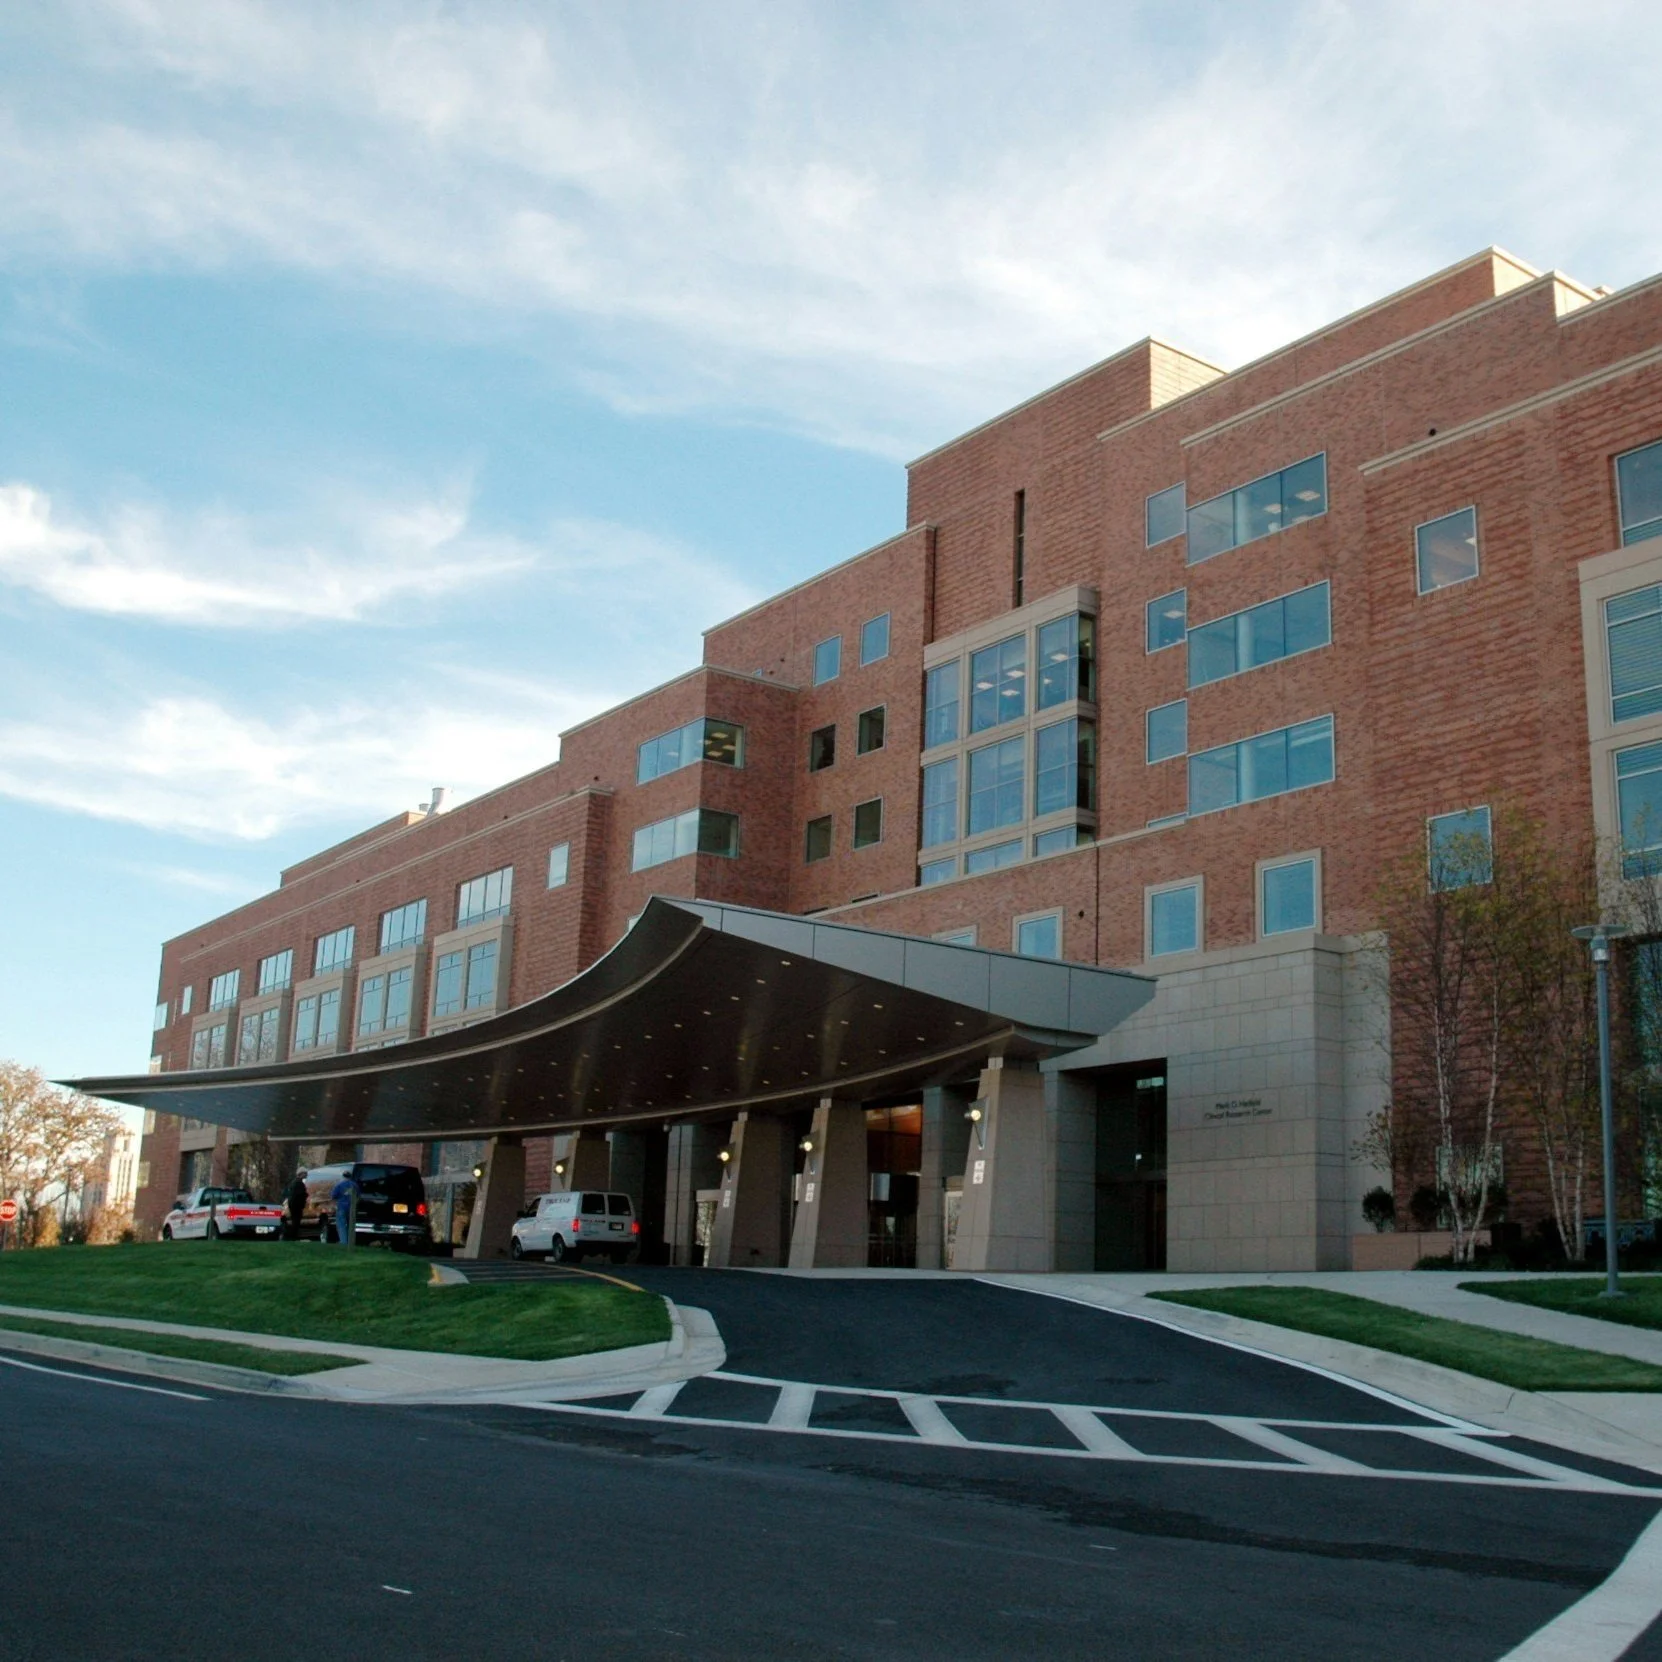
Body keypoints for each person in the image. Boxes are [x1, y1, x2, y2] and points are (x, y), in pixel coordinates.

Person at [329, 1170, 358, 1248]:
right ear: (350, 1176)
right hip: (352, 1208)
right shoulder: (354, 1185)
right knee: (350, 1225)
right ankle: (350, 1242)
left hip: (341, 1206)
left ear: (343, 1176)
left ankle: (343, 1242)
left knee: (341, 1225)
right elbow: (358, 1196)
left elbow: (333, 1196)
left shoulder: (339, 1185)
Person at [285, 1169, 308, 1241]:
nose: (306, 1175)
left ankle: (293, 1235)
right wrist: (306, 1195)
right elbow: (299, 1195)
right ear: (301, 1174)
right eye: (305, 1173)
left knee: (295, 1220)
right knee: (296, 1221)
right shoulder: (299, 1183)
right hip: (296, 1205)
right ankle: (293, 1236)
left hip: (292, 1204)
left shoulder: (294, 1182)